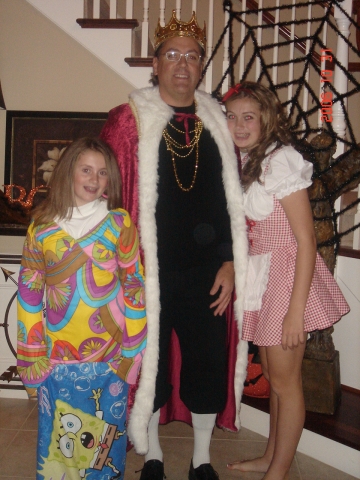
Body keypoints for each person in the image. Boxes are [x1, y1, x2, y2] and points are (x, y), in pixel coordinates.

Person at [100, 10, 249, 480]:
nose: (182, 64)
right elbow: (108, 195)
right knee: (152, 366)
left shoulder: (219, 123)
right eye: (172, 55)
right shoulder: (128, 121)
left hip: (209, 273)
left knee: (206, 364)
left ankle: (201, 457)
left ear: (201, 66)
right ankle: (155, 455)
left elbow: (231, 199)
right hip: (148, 272)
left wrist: (229, 261)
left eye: (192, 56)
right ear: (156, 63)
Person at [223, 81, 350, 480]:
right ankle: (270, 457)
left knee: (286, 383)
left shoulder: (281, 160)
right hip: (265, 274)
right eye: (231, 117)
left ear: (267, 120)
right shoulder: (247, 161)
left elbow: (306, 239)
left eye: (249, 117)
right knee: (277, 380)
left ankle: (277, 473)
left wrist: (295, 312)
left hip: (288, 275)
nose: (239, 125)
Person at [17, 137, 147, 480]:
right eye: (86, 169)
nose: (94, 178)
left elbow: (135, 288)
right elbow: (29, 294)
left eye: (103, 173)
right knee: (61, 448)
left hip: (110, 357)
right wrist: (32, 355)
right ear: (68, 173)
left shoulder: (119, 224)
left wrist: (133, 352)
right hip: (57, 356)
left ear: (110, 180)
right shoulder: (42, 228)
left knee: (103, 451)